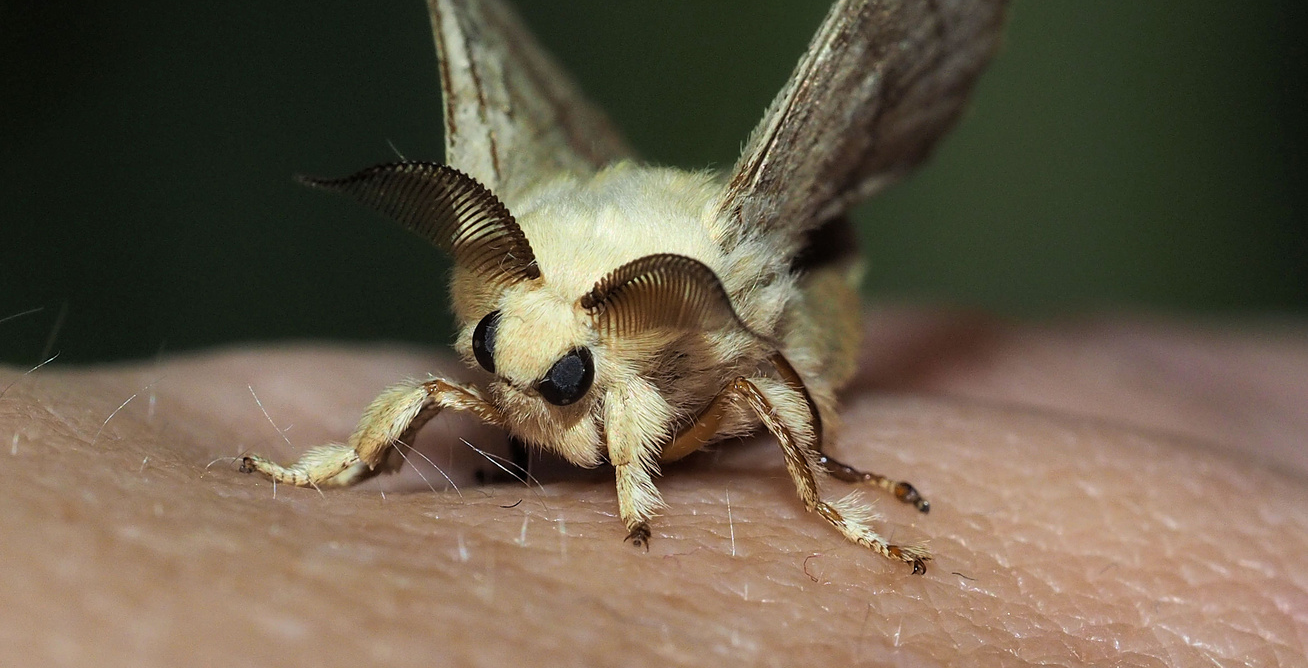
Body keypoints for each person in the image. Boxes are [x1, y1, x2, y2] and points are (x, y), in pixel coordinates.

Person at [2, 308, 1305, 665]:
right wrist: (321, 474)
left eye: (556, 383)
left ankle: (830, 487)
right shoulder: (496, 377)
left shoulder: (655, 377)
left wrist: (650, 501)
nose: (518, 404)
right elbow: (462, 396)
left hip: (752, 341)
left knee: (743, 390)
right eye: (494, 370)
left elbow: (701, 393)